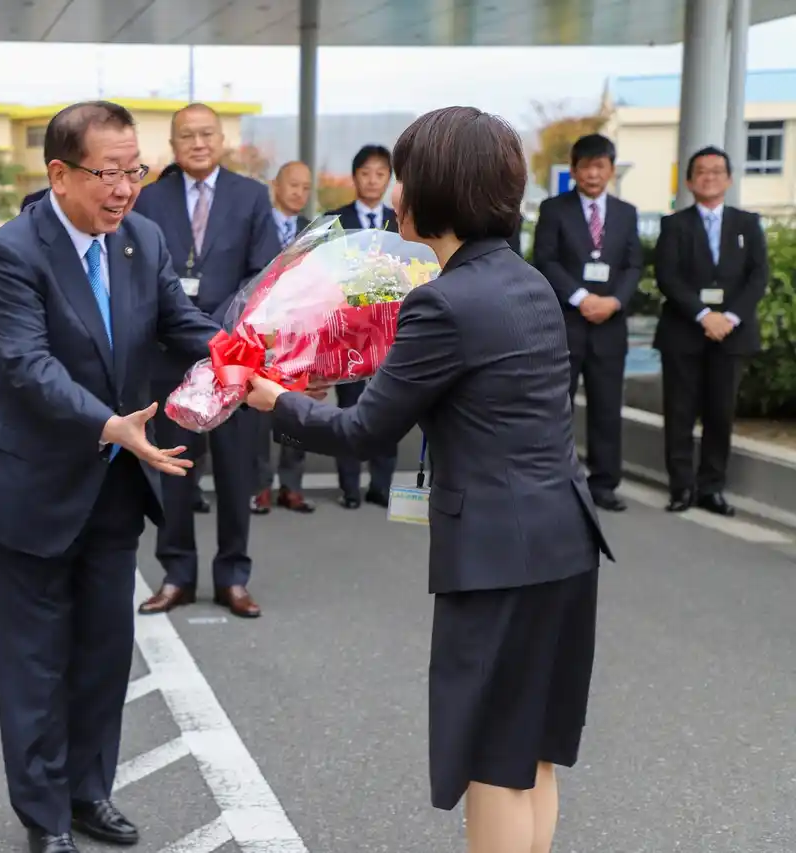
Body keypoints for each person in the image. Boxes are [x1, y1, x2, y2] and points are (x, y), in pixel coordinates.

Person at [246, 106, 613, 853]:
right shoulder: (526, 281)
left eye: (407, 177)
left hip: (498, 557)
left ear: (437, 189)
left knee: (490, 754)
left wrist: (272, 398)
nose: (396, 192)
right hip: (563, 538)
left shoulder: (443, 301)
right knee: (531, 747)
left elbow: (361, 430)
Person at [0, 101, 221, 853]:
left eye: (135, 171)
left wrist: (244, 358)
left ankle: (88, 791)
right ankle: (44, 815)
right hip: (29, 485)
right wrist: (112, 425)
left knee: (104, 654)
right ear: (60, 174)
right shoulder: (13, 251)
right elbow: (28, 364)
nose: (125, 188)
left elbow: (180, 322)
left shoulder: (141, 238)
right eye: (109, 173)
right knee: (35, 662)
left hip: (111, 485)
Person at [133, 103, 281, 619]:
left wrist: (217, 332)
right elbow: (143, 275)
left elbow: (264, 274)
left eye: (206, 134)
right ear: (173, 145)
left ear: (222, 140)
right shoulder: (148, 200)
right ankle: (177, 574)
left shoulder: (251, 196)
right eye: (186, 136)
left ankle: (233, 577)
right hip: (169, 359)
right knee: (173, 471)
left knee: (238, 472)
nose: (197, 143)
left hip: (234, 360)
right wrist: (190, 331)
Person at [653, 146, 769, 516]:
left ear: (729, 179)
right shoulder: (674, 225)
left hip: (731, 335)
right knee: (680, 413)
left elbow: (757, 276)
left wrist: (729, 318)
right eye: (701, 171)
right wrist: (704, 315)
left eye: (717, 171)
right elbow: (667, 276)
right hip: (684, 332)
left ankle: (712, 488)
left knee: (721, 413)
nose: (709, 177)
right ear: (689, 181)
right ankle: (681, 487)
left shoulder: (748, 224)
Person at [533, 134, 643, 513]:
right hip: (568, 324)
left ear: (611, 170)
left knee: (607, 408)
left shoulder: (627, 213)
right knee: (556, 405)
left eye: (601, 166)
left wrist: (614, 301)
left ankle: (604, 483)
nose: (593, 174)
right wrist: (582, 298)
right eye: (586, 166)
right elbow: (545, 261)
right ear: (574, 169)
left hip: (610, 326)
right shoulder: (553, 210)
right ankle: (554, 479)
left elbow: (634, 265)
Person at [325, 144, 400, 509]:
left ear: (389, 179)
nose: (372, 180)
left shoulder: (402, 223)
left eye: (380, 174)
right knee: (349, 409)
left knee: (390, 407)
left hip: (391, 334)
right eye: (366, 173)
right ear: (355, 177)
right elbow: (324, 275)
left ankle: (381, 484)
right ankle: (350, 486)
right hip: (349, 334)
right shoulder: (335, 221)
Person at [253, 159, 315, 515]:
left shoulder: (315, 231)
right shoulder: (257, 225)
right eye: (293, 184)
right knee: (259, 412)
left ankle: (291, 485)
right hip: (260, 332)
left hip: (300, 335)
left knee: (296, 408)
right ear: (275, 184)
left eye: (306, 188)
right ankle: (259, 485)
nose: (299, 193)